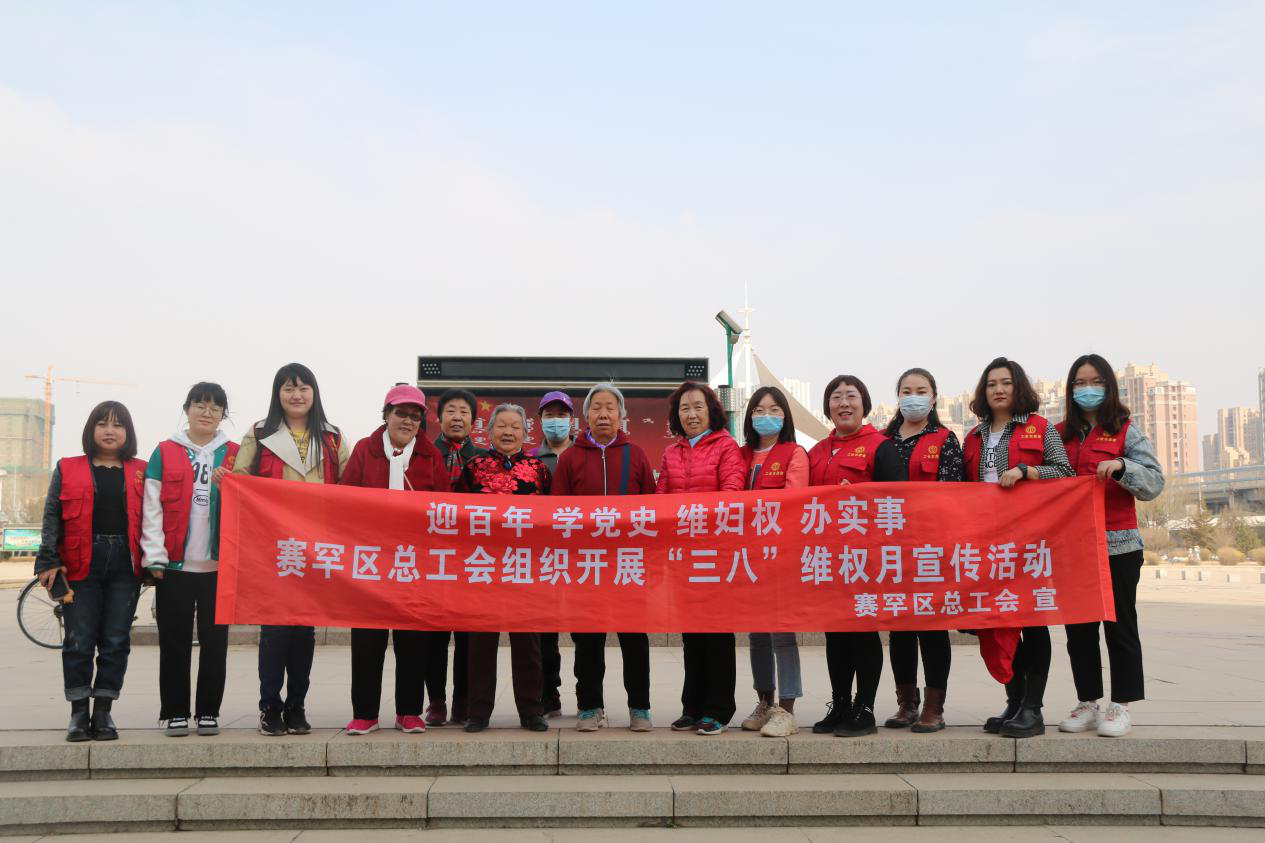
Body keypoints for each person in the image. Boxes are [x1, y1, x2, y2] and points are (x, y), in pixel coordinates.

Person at [234, 363, 349, 737]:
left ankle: (297, 706)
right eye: (288, 388)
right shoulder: (259, 432)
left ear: (314, 393)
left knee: (304, 631)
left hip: (317, 547)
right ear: (277, 394)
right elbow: (241, 482)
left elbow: (351, 487)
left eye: (303, 388)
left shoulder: (332, 437)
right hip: (274, 546)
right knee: (274, 630)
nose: (296, 395)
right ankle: (270, 707)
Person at [962, 357, 1073, 739]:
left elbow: (1066, 472)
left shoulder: (1039, 428)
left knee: (1033, 622)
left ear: (1018, 387)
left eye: (1006, 382)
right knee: (998, 621)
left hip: (1031, 542)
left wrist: (1028, 471)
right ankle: (1014, 701)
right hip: (989, 546)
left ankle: (1033, 708)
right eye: (992, 383)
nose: (999, 389)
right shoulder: (974, 437)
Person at [1056, 354, 1164, 738]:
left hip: (1118, 546)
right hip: (1073, 547)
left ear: (1109, 386)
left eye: (1095, 382)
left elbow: (1154, 482)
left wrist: (1121, 467)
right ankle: (1088, 703)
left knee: (1120, 627)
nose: (1087, 389)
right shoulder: (1059, 434)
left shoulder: (1127, 432)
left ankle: (1121, 705)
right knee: (1078, 630)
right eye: (1079, 383)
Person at [340, 385, 450, 736]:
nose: (408, 421)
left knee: (412, 641)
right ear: (386, 415)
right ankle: (365, 713)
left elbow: (445, 508)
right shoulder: (364, 450)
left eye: (415, 416)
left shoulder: (430, 456)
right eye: (401, 413)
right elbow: (345, 500)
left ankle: (409, 711)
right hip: (371, 561)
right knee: (367, 640)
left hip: (412, 562)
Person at [35, 401, 146, 742]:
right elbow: (52, 515)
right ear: (91, 429)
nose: (110, 431)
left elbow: (155, 517)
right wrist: (48, 559)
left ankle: (103, 712)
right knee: (79, 640)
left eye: (118, 425)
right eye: (102, 424)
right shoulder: (67, 467)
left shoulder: (142, 470)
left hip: (126, 565)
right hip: (80, 563)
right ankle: (79, 713)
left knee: (115, 640)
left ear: (128, 432)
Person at [552, 382, 658, 733]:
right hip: (586, 566)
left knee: (634, 640)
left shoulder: (636, 455)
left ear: (621, 414)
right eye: (596, 407)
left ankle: (640, 708)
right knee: (587, 641)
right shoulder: (570, 458)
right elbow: (557, 513)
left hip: (629, 564)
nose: (603, 413)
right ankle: (589, 707)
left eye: (610, 407)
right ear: (586, 416)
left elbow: (653, 510)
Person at [808, 375, 908, 738]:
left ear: (863, 404)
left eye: (851, 396)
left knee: (863, 633)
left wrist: (861, 497)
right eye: (836, 397)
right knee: (835, 635)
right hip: (827, 559)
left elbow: (898, 502)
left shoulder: (881, 447)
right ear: (828, 407)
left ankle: (865, 709)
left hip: (866, 560)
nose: (844, 403)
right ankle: (841, 704)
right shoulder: (817, 451)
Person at [140, 383, 238, 738]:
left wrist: (232, 486)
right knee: (174, 642)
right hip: (174, 567)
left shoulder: (235, 454)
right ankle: (175, 712)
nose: (207, 413)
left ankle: (209, 711)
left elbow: (250, 504)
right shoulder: (165, 451)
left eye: (215, 407)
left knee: (216, 644)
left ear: (223, 415)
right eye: (200, 405)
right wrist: (154, 556)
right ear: (187, 409)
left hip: (218, 567)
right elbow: (151, 508)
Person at [657, 381, 746, 737]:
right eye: (684, 408)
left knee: (717, 634)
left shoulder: (726, 446)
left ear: (711, 410)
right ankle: (692, 707)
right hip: (683, 556)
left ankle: (719, 709)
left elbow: (732, 493)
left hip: (716, 554)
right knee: (691, 635)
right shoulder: (671, 453)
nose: (691, 414)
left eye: (698, 407)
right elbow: (661, 499)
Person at [880, 368, 965, 733]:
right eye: (906, 390)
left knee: (931, 627)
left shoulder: (945, 439)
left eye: (920, 390)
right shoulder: (882, 440)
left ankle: (934, 707)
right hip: (892, 549)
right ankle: (906, 703)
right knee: (900, 628)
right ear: (898, 397)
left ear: (933, 398)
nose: (912, 397)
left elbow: (953, 494)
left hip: (931, 548)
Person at [457, 403, 550, 732]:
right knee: (481, 643)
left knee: (528, 643)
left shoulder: (538, 469)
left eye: (515, 427)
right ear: (489, 431)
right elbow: (456, 512)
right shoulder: (474, 466)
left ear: (525, 433)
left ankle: (532, 710)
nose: (508, 432)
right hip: (483, 565)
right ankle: (478, 712)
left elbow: (554, 516)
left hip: (524, 566)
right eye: (502, 426)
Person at [737, 386, 808, 738]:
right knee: (757, 634)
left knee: (782, 633)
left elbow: (793, 504)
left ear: (785, 416)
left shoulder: (794, 454)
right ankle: (764, 701)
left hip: (780, 555)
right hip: (746, 557)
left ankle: (787, 709)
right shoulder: (740, 455)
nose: (767, 415)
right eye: (759, 409)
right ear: (749, 416)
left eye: (775, 409)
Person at [424, 387, 486, 726]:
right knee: (434, 636)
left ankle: (463, 700)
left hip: (471, 559)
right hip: (432, 557)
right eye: (451, 411)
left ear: (473, 420)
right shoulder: (423, 454)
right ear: (439, 417)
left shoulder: (484, 459)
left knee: (468, 638)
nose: (457, 417)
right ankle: (436, 701)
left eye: (464, 412)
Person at [531, 390, 576, 718]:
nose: (556, 421)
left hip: (582, 557)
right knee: (544, 633)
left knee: (585, 633)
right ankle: (549, 694)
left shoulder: (585, 455)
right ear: (540, 420)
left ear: (572, 420)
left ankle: (590, 700)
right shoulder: (531, 459)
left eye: (562, 415)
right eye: (550, 415)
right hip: (543, 557)